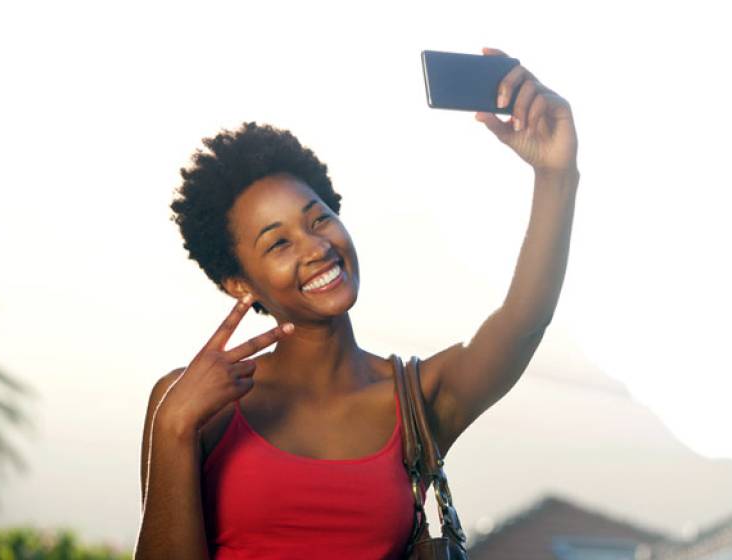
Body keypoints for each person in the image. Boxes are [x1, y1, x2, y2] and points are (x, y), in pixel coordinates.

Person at [134, 47, 580, 560]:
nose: (315, 247)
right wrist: (173, 429)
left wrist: (556, 173)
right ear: (240, 283)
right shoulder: (191, 404)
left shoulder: (416, 399)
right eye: (278, 243)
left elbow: (523, 321)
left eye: (318, 219)